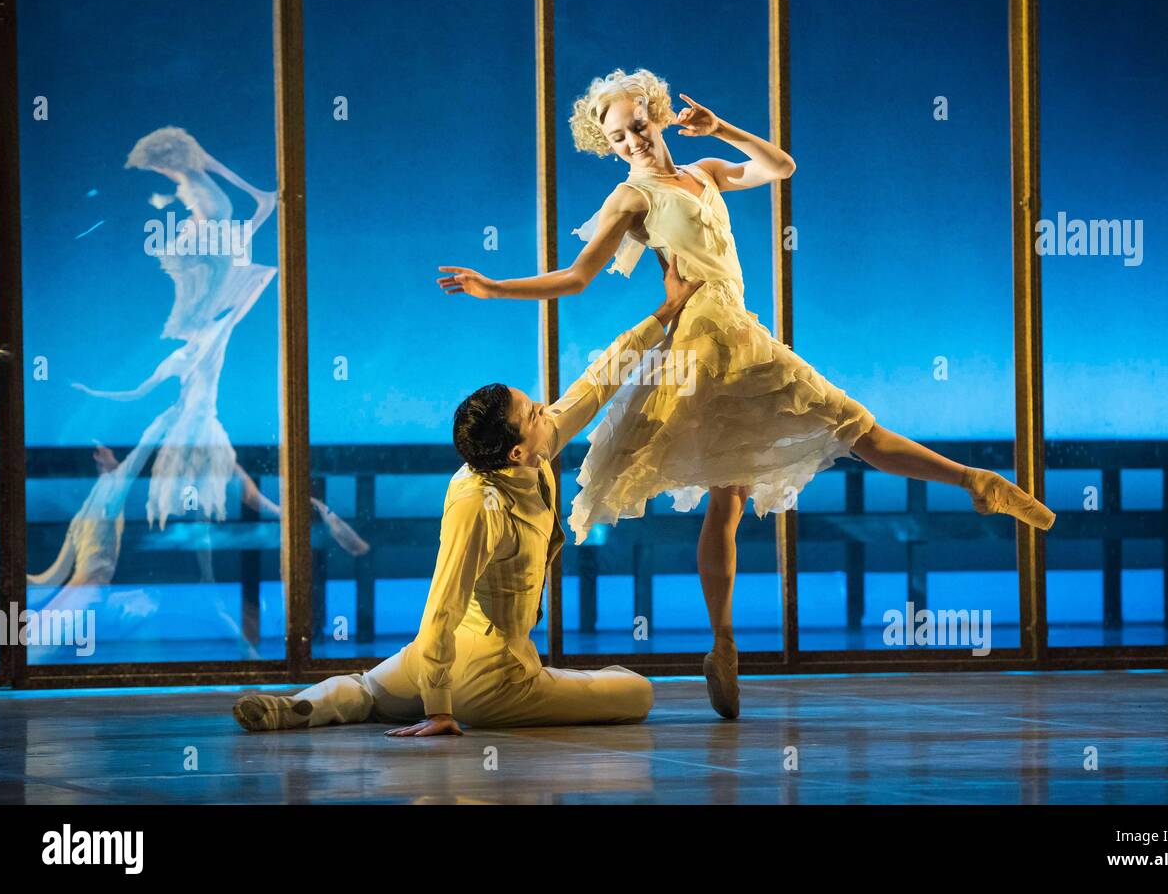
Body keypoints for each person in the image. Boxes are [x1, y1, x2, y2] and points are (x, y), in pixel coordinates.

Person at [436, 67, 1056, 720]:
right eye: (617, 137)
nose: (632, 142)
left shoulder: (704, 170)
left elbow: (781, 166)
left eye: (638, 126)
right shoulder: (630, 198)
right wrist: (493, 287)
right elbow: (577, 276)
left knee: (833, 440)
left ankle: (975, 482)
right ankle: (725, 640)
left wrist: (723, 127)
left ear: (657, 113)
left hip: (744, 336)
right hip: (699, 351)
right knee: (741, 493)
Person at [233, 258, 704, 734]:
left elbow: (598, 381)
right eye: (536, 412)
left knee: (368, 691)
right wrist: (439, 709)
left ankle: (301, 707)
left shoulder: (528, 452)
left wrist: (664, 312)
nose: (547, 411)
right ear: (518, 448)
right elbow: (442, 603)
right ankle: (441, 701)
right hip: (489, 682)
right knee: (635, 689)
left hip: (432, 660)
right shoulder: (478, 502)